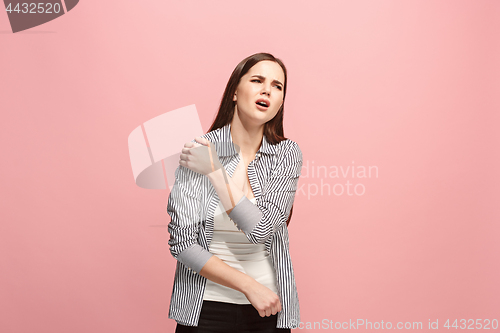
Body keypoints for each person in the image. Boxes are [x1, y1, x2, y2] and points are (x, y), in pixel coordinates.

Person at [167, 52, 303, 332]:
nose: (267, 89)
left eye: (278, 86)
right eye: (257, 80)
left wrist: (215, 172)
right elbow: (182, 243)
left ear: (280, 102)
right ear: (234, 92)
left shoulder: (287, 154)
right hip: (204, 309)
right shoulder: (198, 151)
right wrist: (248, 286)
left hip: (268, 311)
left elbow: (262, 229)